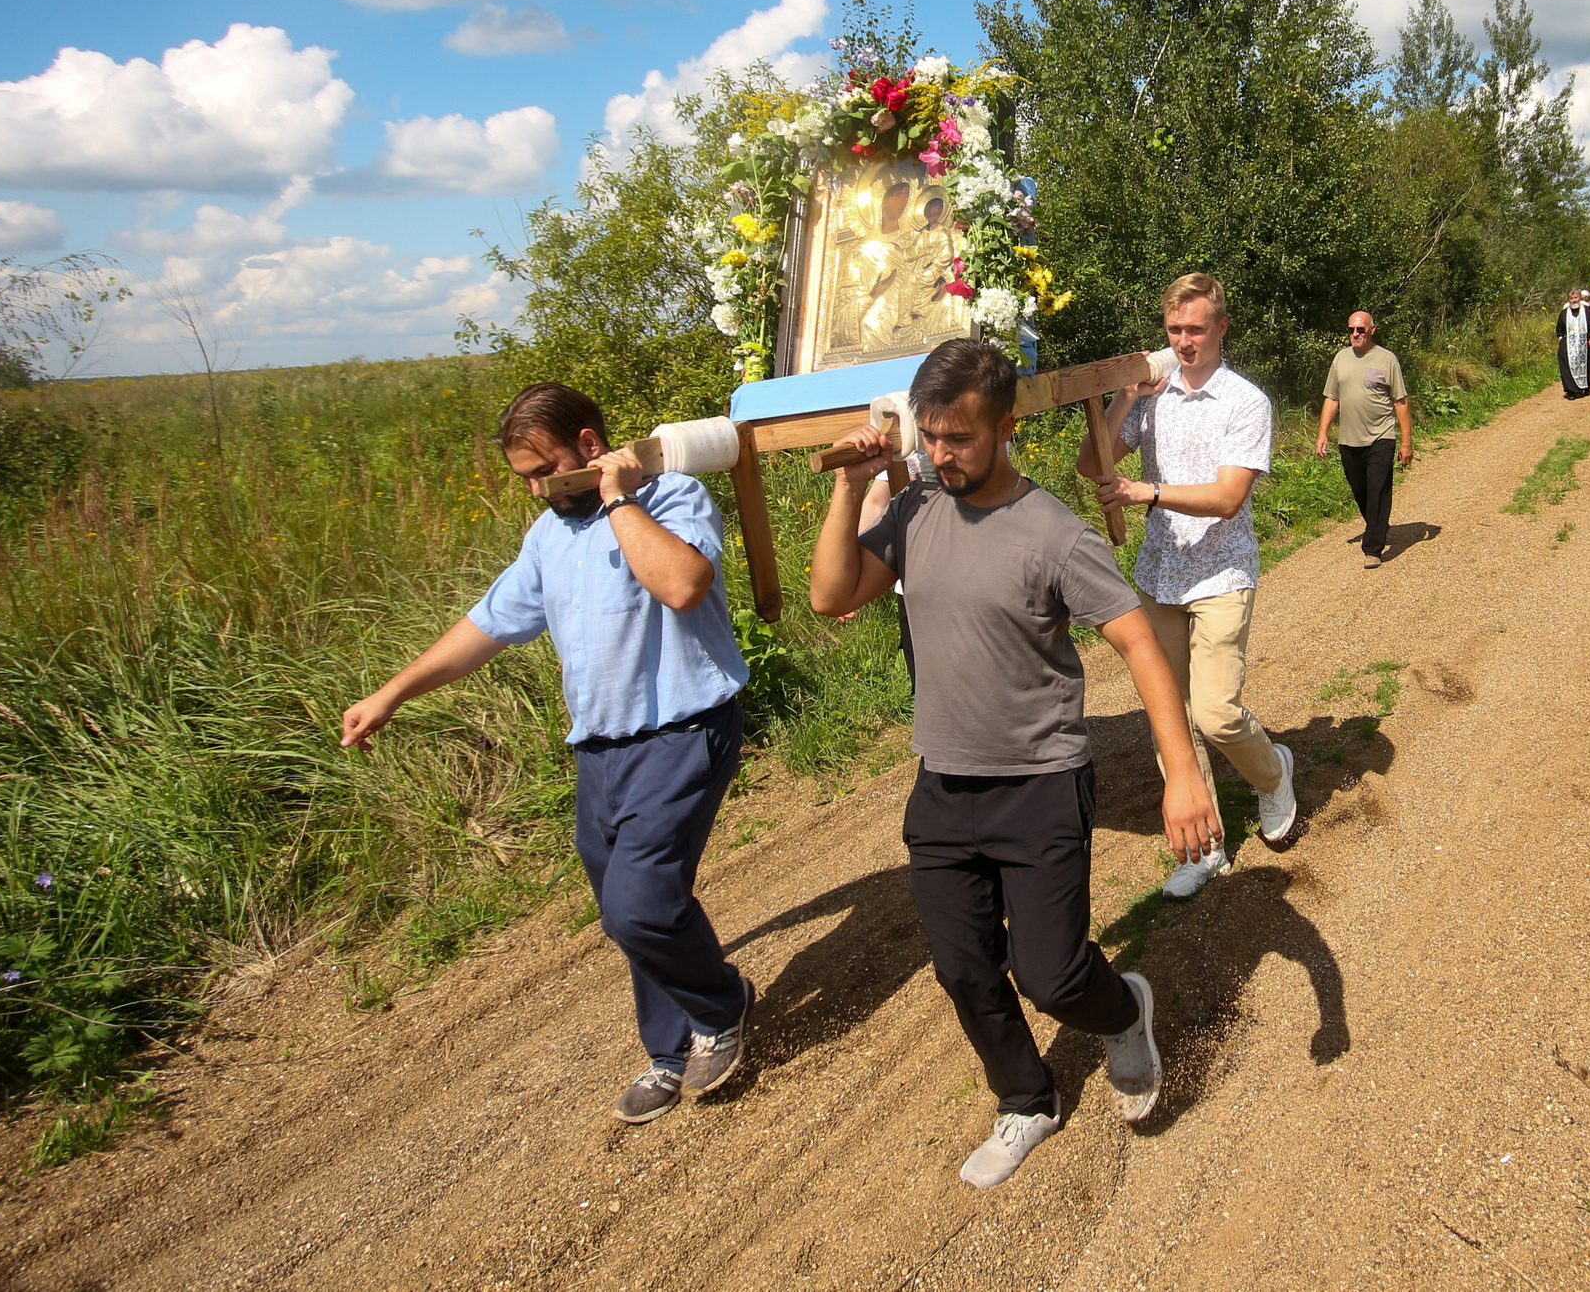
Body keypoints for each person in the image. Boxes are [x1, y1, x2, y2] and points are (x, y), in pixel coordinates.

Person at [809, 339, 1219, 1191]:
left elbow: (1139, 643)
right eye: (930, 436)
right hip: (944, 783)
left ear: (1003, 427)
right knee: (962, 966)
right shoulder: (913, 509)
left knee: (1052, 970)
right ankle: (1026, 1097)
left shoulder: (1053, 533)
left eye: (959, 437)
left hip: (1039, 783)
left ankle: (1125, 1007)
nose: (941, 453)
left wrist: (1182, 773)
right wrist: (851, 487)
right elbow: (831, 595)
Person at [341, 383, 754, 1127]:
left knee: (639, 906)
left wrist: (620, 501)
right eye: (522, 477)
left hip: (684, 732)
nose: (535, 488)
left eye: (544, 469)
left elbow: (685, 585)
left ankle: (722, 1006)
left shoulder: (672, 498)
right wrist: (394, 691)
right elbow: (489, 624)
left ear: (590, 447)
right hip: (599, 751)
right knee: (627, 907)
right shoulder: (547, 537)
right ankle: (668, 1050)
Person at [1079, 273, 1297, 902]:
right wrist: (1124, 399)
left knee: (1215, 711)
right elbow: (1092, 466)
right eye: (1175, 330)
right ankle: (1206, 849)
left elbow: (1229, 498)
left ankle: (1272, 770)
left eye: (1195, 329)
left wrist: (1143, 492)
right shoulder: (1152, 396)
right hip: (1159, 573)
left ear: (1222, 328)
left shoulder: (1245, 402)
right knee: (1170, 717)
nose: (1183, 342)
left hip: (1223, 572)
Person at [1317, 311, 1412, 568]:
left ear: (1372, 330)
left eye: (1360, 329)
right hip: (1349, 440)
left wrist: (1406, 442)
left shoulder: (1386, 359)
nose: (1355, 334)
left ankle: (1373, 548)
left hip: (1381, 436)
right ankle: (1378, 523)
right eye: (1351, 330)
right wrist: (1323, 432)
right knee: (1360, 489)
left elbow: (1400, 402)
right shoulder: (1341, 359)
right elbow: (1332, 398)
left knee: (1378, 489)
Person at [1556, 288, 1590, 398]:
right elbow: (1559, 329)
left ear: (1579, 298)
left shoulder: (1587, 311)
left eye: (1576, 298)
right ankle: (1572, 390)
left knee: (1587, 365)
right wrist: (1562, 341)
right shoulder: (1564, 313)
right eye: (1571, 298)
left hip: (1585, 343)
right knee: (1566, 362)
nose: (1574, 300)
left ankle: (1584, 387)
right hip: (1569, 345)